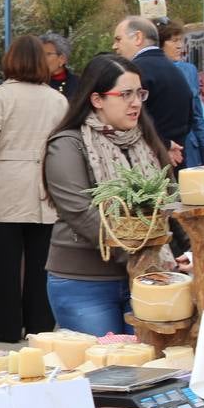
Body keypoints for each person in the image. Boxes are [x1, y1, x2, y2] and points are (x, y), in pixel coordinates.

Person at [42, 55, 183, 336]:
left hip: (146, 280)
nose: (136, 103)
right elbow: (83, 214)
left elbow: (167, 202)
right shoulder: (67, 145)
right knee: (105, 370)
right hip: (85, 283)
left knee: (152, 368)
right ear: (96, 100)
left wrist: (184, 251)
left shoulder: (144, 139)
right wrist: (144, 256)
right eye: (125, 94)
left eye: (139, 93)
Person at [0, 36, 67, 341]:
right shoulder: (57, 99)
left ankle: (4, 327)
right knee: (42, 262)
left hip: (6, 183)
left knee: (5, 262)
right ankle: (40, 324)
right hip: (44, 184)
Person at [112, 16, 192, 165]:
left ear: (137, 37)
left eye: (118, 39)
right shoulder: (177, 71)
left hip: (146, 164)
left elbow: (128, 122)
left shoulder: (133, 73)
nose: (114, 46)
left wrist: (164, 145)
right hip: (176, 158)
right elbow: (189, 118)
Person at [157, 19, 204, 169]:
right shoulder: (151, 73)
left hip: (190, 149)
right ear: (160, 44)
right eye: (174, 41)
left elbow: (197, 115)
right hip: (162, 148)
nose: (180, 46)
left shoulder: (189, 70)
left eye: (181, 40)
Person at [39, 32, 81, 100]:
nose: (41, 58)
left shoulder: (78, 84)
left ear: (62, 59)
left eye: (47, 54)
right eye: (39, 54)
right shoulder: (34, 82)